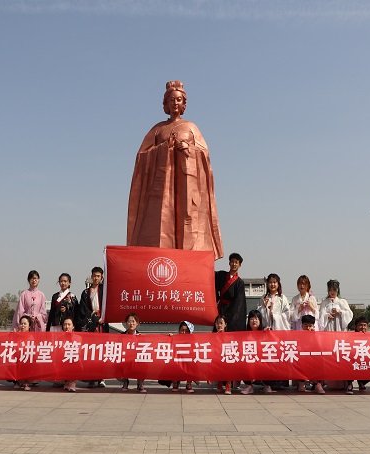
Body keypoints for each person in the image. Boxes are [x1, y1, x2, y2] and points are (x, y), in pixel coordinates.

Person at [127, 80, 223, 260]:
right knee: (161, 223)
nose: (175, 103)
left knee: (188, 221)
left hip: (187, 183)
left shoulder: (191, 127)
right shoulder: (158, 129)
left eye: (179, 100)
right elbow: (142, 156)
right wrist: (163, 149)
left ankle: (189, 258)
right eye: (172, 100)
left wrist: (188, 148)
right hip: (162, 187)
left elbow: (205, 156)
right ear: (166, 103)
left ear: (184, 103)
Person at [79, 267, 107, 388]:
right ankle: (90, 378)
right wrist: (96, 319)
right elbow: (83, 309)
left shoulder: (105, 291)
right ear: (91, 276)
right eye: (94, 276)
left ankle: (101, 378)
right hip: (91, 324)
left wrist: (103, 318)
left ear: (101, 277)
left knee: (102, 351)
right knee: (90, 352)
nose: (96, 278)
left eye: (98, 276)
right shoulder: (85, 293)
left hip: (103, 324)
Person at [240, 310, 273, 395]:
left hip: (262, 359)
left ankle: (267, 384)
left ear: (260, 320)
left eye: (256, 318)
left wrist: (268, 333)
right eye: (251, 319)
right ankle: (248, 386)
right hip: (250, 359)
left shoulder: (265, 332)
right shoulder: (244, 334)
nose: (254, 321)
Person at [215, 253, 247, 331]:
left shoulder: (240, 283)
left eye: (236, 262)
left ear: (240, 265)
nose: (234, 264)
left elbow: (239, 302)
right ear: (229, 263)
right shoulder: (221, 275)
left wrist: (232, 316)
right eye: (232, 261)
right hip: (220, 308)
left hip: (231, 309)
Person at [296, 315, 325, 394]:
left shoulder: (317, 335)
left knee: (319, 362)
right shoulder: (298, 336)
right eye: (306, 326)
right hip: (302, 358)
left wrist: (314, 335)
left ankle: (317, 384)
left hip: (314, 358)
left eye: (310, 326)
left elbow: (319, 348)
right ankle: (301, 383)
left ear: (313, 326)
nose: (308, 328)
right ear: (302, 326)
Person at [120, 313, 146, 393]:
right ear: (125, 323)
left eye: (133, 321)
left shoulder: (141, 336)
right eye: (129, 321)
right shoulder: (121, 336)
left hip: (137, 359)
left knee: (144, 363)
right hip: (125, 359)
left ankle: (140, 383)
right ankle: (125, 381)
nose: (131, 324)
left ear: (137, 323)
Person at [346, 317, 370, 395]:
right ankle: (349, 383)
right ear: (356, 327)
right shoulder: (349, 337)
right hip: (353, 361)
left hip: (365, 361)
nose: (363, 327)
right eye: (360, 325)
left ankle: (361, 382)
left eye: (364, 325)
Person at [172, 321, 196, 393]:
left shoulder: (193, 340)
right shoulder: (175, 338)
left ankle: (188, 383)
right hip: (178, 361)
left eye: (186, 331)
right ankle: (175, 382)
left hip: (188, 361)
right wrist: (170, 337)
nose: (184, 332)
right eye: (182, 330)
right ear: (179, 331)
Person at [213, 315, 231, 395]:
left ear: (225, 325)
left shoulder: (229, 336)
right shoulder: (212, 336)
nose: (219, 325)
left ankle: (228, 384)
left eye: (221, 323)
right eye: (217, 323)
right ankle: (219, 382)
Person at [15, 315, 33, 391]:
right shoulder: (16, 336)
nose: (22, 326)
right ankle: (17, 381)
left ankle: (26, 382)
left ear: (29, 326)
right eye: (21, 324)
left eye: (25, 324)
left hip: (27, 357)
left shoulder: (32, 337)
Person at [62, 317, 77, 392]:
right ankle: (67, 381)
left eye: (69, 324)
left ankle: (72, 382)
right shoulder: (59, 338)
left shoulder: (78, 338)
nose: (66, 327)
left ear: (73, 326)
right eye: (65, 325)